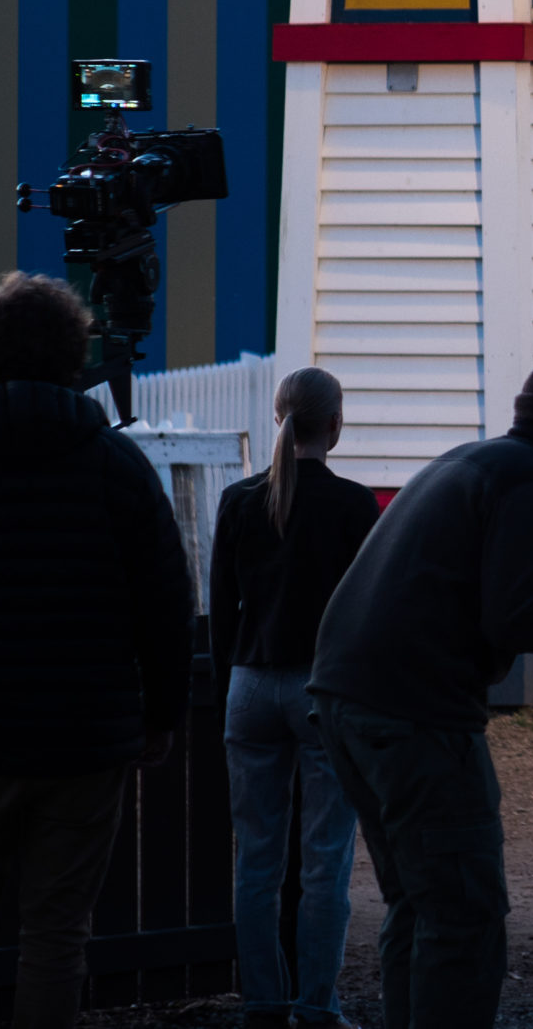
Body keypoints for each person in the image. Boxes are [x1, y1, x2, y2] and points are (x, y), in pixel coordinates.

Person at [0, 272, 194, 1029]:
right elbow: (167, 605)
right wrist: (160, 715)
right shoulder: (118, 466)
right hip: (88, 738)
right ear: (72, 353)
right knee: (56, 934)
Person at [306, 352, 533, 1029]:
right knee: (465, 912)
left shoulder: (473, 460)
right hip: (416, 716)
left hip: (344, 701)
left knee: (417, 902)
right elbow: (515, 616)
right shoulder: (532, 484)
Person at [209, 366, 380, 1029]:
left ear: (278, 414)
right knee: (324, 862)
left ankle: (261, 1002)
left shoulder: (239, 501)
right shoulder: (353, 506)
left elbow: (223, 612)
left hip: (250, 683)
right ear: (335, 425)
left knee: (256, 860)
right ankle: (315, 1006)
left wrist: (231, 683)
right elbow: (366, 614)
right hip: (321, 690)